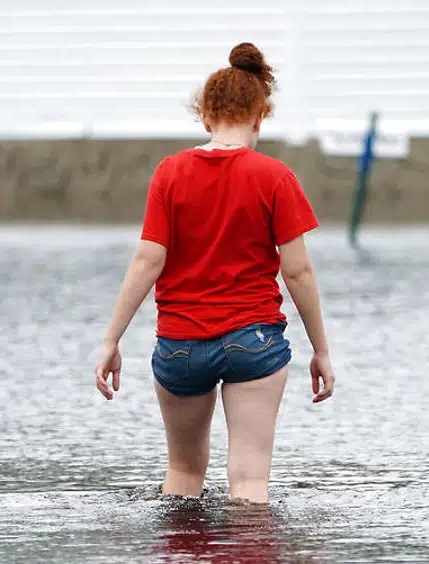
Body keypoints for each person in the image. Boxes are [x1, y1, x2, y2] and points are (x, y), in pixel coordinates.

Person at [94, 42, 334, 504]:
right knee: (248, 482)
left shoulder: (170, 173)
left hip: (180, 345)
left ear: (204, 117)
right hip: (254, 342)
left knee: (182, 476)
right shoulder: (275, 177)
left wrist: (111, 340)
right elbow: (298, 272)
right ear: (259, 118)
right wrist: (321, 350)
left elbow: (147, 260)